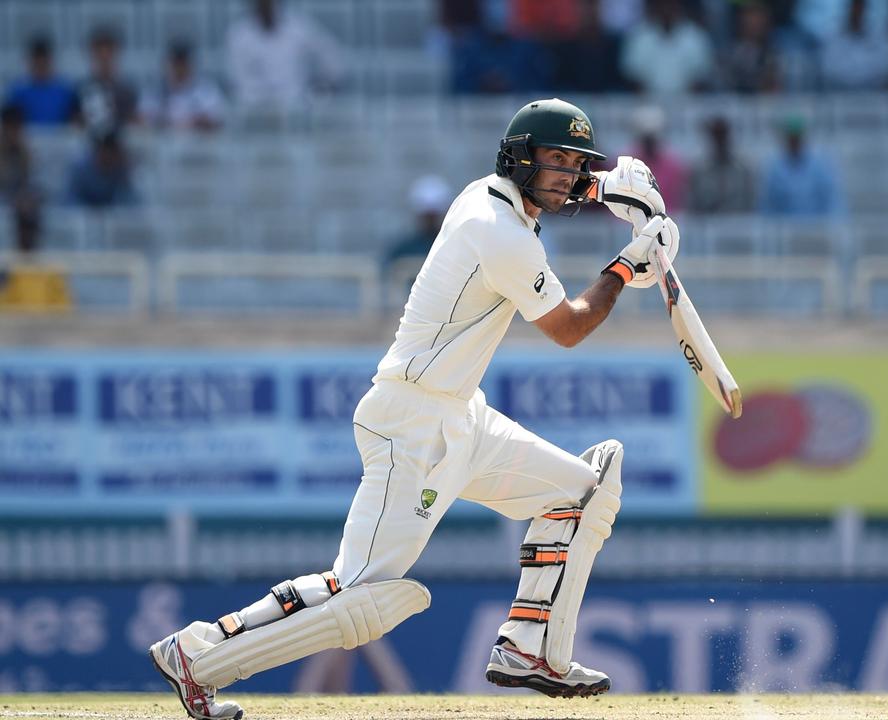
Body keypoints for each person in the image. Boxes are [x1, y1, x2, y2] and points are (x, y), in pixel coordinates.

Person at [148, 98, 682, 719]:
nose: (565, 173)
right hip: (413, 424)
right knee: (359, 596)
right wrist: (626, 265)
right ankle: (199, 658)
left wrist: (607, 188)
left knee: (582, 491)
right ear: (519, 159)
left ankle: (532, 650)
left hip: (460, 417)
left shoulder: (493, 196)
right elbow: (569, 328)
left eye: (574, 164)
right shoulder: (498, 231)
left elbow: (551, 189)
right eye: (555, 160)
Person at [226, 0, 345, 112]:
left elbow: (330, 54)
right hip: (254, 112)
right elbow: (238, 79)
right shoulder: (239, 34)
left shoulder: (299, 27)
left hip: (297, 109)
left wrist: (323, 86)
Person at [620, 0, 715, 94]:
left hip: (690, 103)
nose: (666, 8)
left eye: (670, 3)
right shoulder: (639, 36)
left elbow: (701, 77)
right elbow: (633, 78)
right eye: (662, 3)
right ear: (655, 5)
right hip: (645, 103)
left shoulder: (695, 36)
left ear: (678, 5)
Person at [758, 115, 842, 216]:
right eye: (791, 138)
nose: (794, 142)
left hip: (818, 228)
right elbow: (768, 207)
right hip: (783, 229)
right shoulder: (775, 169)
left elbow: (832, 203)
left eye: (797, 138)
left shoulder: (821, 166)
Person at [0, 196, 72, 312]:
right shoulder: (7, 270)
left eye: (31, 229)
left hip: (47, 328)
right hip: (14, 328)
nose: (27, 236)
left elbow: (64, 310)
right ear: (16, 231)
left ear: (38, 231)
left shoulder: (53, 270)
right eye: (23, 228)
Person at [140, 42, 227, 132]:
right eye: (176, 64)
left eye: (183, 64)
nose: (179, 68)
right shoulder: (156, 91)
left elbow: (215, 120)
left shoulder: (206, 91)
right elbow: (143, 118)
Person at [818, 0, 888, 91]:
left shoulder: (882, 39)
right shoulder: (832, 39)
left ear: (866, 11)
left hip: (875, 95)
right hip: (839, 96)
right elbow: (830, 70)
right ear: (848, 11)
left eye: (860, 9)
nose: (857, 13)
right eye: (854, 9)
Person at [3, 37, 79, 127]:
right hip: (28, 139)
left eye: (44, 61)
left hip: (60, 139)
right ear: (30, 62)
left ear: (50, 61)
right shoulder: (18, 92)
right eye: (37, 62)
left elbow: (75, 120)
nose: (41, 66)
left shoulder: (66, 90)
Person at [77, 26, 139, 138]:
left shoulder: (126, 92)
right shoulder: (81, 90)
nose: (104, 60)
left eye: (108, 54)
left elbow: (133, 123)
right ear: (93, 56)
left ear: (115, 56)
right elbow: (76, 124)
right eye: (99, 55)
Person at [384, 175, 450, 277]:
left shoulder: (453, 246)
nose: (430, 221)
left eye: (433, 216)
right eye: (427, 216)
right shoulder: (403, 250)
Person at [689, 117, 756, 214]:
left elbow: (750, 206)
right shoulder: (699, 172)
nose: (720, 141)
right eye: (716, 136)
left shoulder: (743, 171)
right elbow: (694, 207)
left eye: (722, 136)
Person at [65, 131, 138, 208]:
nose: (108, 157)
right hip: (81, 215)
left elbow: (130, 201)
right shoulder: (79, 168)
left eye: (112, 153)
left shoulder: (122, 169)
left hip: (113, 216)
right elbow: (70, 199)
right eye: (104, 151)